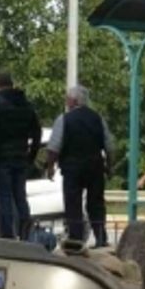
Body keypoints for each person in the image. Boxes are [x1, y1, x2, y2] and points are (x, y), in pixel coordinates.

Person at [45, 85, 116, 248]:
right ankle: (100, 237)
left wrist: (50, 168)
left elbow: (54, 147)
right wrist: (109, 166)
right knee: (96, 203)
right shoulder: (98, 118)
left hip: (72, 168)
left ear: (73, 100)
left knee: (73, 203)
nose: (66, 101)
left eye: (67, 98)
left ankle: (76, 239)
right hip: (95, 167)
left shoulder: (64, 119)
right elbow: (109, 146)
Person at [0, 71, 42, 239]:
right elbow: (37, 132)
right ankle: (26, 234)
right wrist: (31, 155)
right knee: (21, 196)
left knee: (5, 197)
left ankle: (8, 235)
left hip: (3, 159)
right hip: (21, 157)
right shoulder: (26, 104)